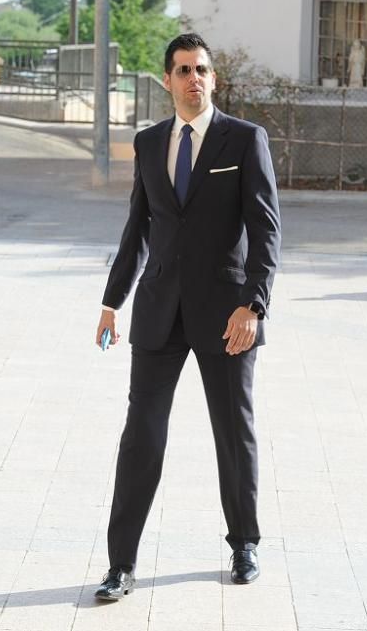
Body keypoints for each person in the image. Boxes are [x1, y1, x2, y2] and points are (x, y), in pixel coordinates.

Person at [93, 33, 281, 601]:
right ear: (168, 80)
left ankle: (244, 543)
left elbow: (266, 229)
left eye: (201, 69)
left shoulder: (245, 140)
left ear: (213, 79)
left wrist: (254, 304)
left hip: (228, 316)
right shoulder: (149, 143)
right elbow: (137, 229)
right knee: (141, 437)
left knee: (233, 432)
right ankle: (120, 564)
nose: (193, 78)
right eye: (182, 70)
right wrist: (112, 300)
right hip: (157, 312)